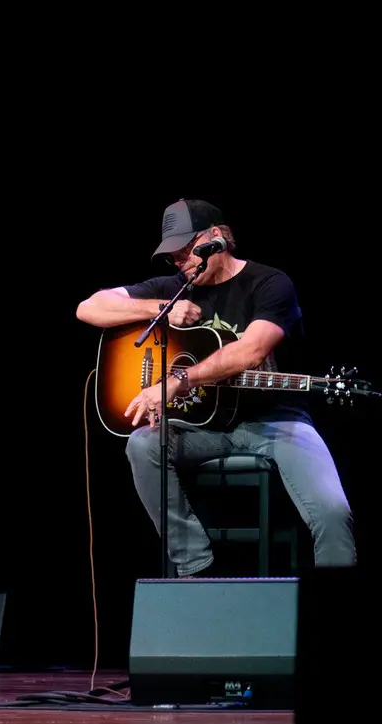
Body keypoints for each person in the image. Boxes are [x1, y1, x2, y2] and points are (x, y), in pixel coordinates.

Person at [75, 198, 355, 577]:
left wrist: (180, 380)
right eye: (172, 256)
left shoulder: (269, 283)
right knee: (141, 444)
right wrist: (161, 308)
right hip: (205, 429)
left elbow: (252, 350)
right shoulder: (176, 288)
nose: (179, 262)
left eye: (186, 250)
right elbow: (89, 307)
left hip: (275, 423)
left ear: (216, 238)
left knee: (333, 511)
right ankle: (196, 569)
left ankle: (337, 605)